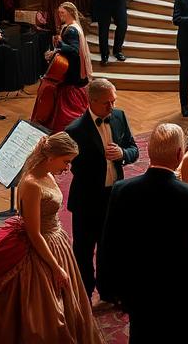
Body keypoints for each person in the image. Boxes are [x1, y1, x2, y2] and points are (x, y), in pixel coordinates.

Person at [99, 123, 188, 344]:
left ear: (148, 151)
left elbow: (109, 244)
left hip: (139, 289)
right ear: (179, 154)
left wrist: (110, 290)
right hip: (180, 293)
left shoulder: (122, 190)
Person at [0, 132, 103, 344]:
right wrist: (56, 267)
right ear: (51, 157)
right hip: (39, 248)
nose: (68, 168)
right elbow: (34, 233)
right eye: (66, 161)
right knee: (42, 314)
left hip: (56, 240)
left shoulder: (48, 174)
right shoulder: (32, 183)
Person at [64, 78, 138, 300]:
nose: (112, 107)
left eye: (114, 101)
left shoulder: (119, 117)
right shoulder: (75, 130)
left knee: (112, 249)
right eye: (107, 103)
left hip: (114, 197)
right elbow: (72, 167)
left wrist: (123, 155)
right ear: (92, 101)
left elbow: (134, 148)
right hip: (87, 201)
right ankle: (84, 294)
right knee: (83, 252)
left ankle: (109, 291)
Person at [34, 2, 92, 132]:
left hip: (71, 70)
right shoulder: (71, 26)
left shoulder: (71, 30)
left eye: (63, 13)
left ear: (70, 13)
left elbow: (74, 50)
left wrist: (58, 47)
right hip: (72, 68)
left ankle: (65, 127)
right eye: (59, 13)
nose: (60, 16)